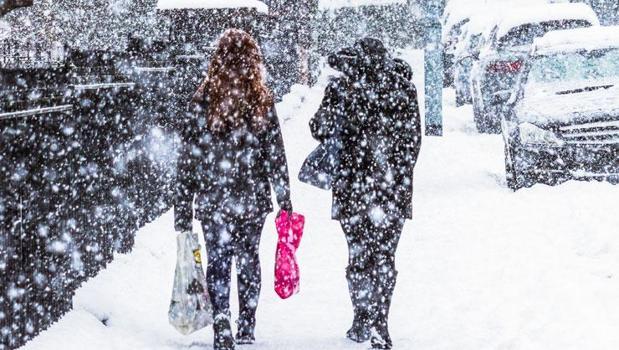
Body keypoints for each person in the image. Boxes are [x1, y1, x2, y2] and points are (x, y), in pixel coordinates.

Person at [174, 29, 292, 350]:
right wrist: (284, 198)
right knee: (248, 257)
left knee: (218, 260)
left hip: (214, 196)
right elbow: (275, 153)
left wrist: (183, 208)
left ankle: (222, 318)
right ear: (254, 60)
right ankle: (247, 324)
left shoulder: (203, 99)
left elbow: (188, 158)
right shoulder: (261, 99)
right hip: (252, 197)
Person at [309, 38, 422, 349]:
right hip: (391, 189)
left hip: (352, 187)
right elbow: (413, 143)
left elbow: (318, 129)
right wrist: (396, 175)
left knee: (359, 255)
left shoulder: (341, 89)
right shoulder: (403, 89)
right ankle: (380, 323)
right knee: (385, 256)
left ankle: (362, 317)